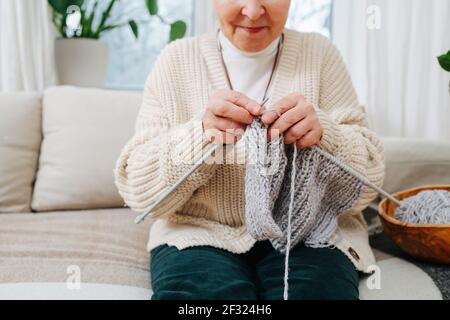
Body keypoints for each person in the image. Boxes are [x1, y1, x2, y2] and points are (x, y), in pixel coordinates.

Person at [114, 0, 385, 300]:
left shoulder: (319, 55)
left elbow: (367, 183)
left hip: (308, 233)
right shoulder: (176, 60)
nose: (253, 11)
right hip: (198, 234)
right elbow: (141, 192)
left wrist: (325, 136)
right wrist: (199, 137)